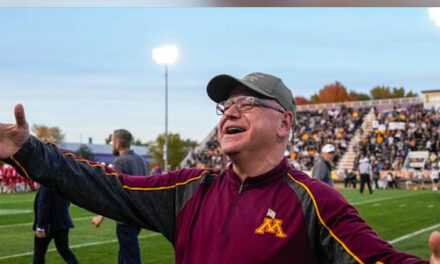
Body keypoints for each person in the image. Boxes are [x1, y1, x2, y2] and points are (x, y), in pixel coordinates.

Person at [1, 72, 440, 263]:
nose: (230, 112)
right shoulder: (191, 187)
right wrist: (29, 150)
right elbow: (104, 186)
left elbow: (377, 259)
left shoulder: (314, 203)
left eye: (247, 102)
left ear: (285, 123)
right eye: (226, 105)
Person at [92, 129, 149, 264]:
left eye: (112, 142)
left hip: (126, 215)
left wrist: (101, 215)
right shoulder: (142, 161)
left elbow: (114, 191)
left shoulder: (120, 162)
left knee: (130, 256)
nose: (112, 145)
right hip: (140, 213)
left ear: (117, 143)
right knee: (125, 254)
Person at [33, 184, 79, 264]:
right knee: (65, 251)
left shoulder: (46, 184)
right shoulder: (62, 183)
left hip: (48, 224)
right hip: (62, 222)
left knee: (39, 254)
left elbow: (43, 205)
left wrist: (40, 227)